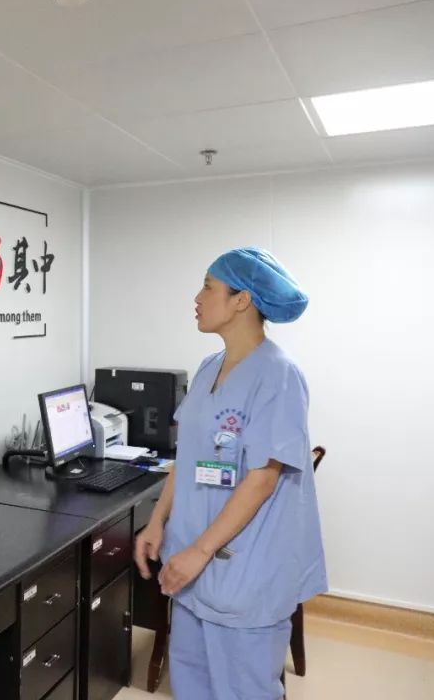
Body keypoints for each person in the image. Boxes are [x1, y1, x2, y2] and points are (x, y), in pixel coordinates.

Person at [134, 247, 327, 700]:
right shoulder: (208, 369)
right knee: (192, 681)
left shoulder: (279, 376)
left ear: (242, 300)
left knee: (243, 688)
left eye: (208, 286)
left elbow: (262, 479)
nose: (197, 297)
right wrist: (157, 521)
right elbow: (187, 457)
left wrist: (200, 551)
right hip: (191, 564)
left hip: (245, 569)